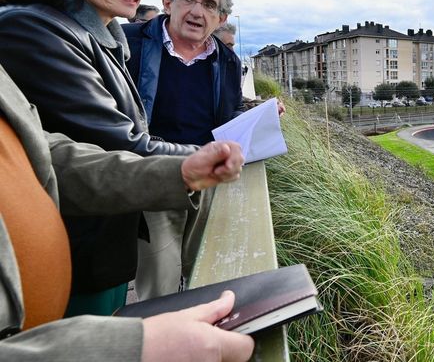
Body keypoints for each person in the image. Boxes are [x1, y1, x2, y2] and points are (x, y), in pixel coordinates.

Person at [0, 0, 199, 316]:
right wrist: (210, 158)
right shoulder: (33, 30)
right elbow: (117, 141)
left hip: (99, 245)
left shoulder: (98, 37)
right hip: (68, 252)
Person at [0, 63, 253, 362]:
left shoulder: (224, 59)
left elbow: (44, 154)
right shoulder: (33, 28)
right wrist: (129, 349)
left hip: (51, 323)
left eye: (214, 11)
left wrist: (177, 173)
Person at [122, 0, 244, 299]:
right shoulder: (127, 43)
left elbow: (228, 111)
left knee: (199, 266)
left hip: (207, 179)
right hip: (154, 174)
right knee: (159, 275)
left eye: (209, 5)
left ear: (220, 18)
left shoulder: (227, 60)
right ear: (167, 2)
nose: (196, 11)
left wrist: (256, 115)